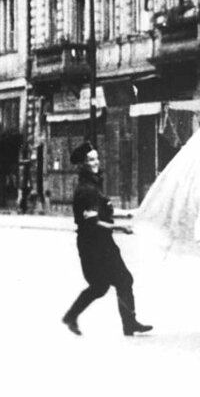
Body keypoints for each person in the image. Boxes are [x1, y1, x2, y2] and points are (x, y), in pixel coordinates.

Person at [61, 142, 152, 337]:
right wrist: (121, 228)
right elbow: (93, 223)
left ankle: (72, 316)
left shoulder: (94, 186)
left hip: (99, 244)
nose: (96, 163)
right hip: (95, 246)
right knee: (121, 281)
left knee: (102, 286)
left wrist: (130, 213)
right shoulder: (86, 190)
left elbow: (107, 211)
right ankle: (129, 324)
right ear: (83, 164)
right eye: (91, 160)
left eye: (97, 158)